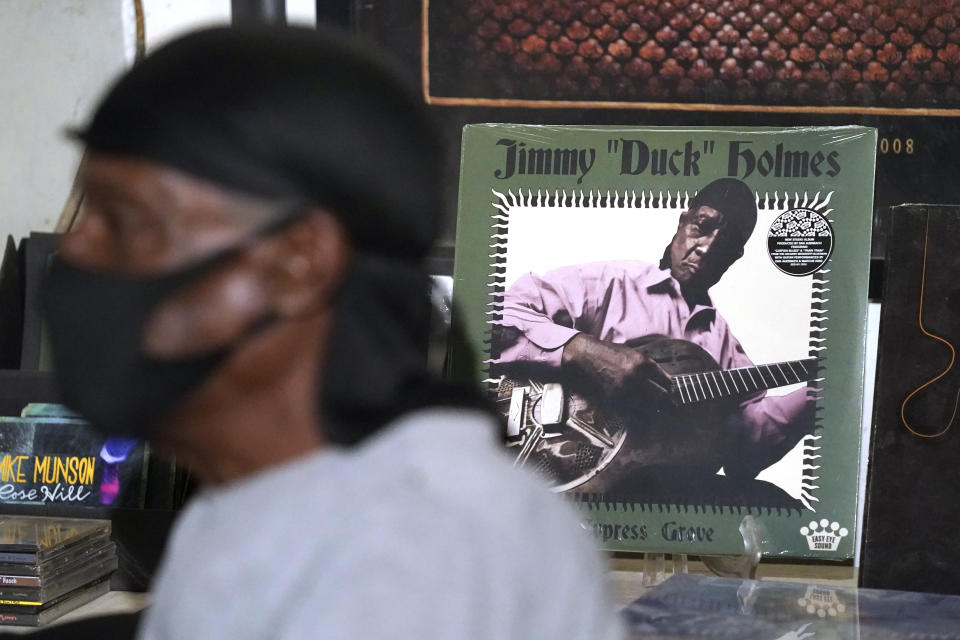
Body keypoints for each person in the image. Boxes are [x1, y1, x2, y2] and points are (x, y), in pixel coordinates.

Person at [38, 26, 624, 640]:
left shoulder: (414, 550)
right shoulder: (276, 498)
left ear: (297, 263)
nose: (75, 251)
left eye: (125, 222)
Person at [493, 178, 816, 505]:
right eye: (702, 227)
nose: (706, 249)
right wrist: (579, 348)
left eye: (726, 243)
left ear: (735, 256)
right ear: (683, 221)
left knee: (777, 504)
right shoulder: (611, 283)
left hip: (650, 489)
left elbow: (744, 453)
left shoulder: (722, 342)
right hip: (558, 476)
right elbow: (495, 316)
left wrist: (818, 395)